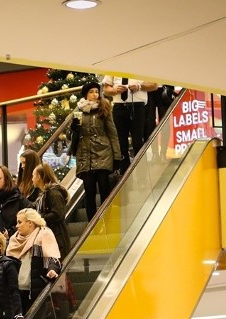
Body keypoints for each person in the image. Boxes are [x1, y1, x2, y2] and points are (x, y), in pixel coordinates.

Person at [72, 81, 122, 221]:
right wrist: (74, 129)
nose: (95, 94)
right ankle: (92, 224)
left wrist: (117, 156)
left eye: (96, 91)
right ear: (85, 95)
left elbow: (112, 132)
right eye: (91, 92)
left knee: (104, 189)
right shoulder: (78, 111)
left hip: (103, 152)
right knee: (89, 191)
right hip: (85, 154)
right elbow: (74, 139)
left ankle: (108, 219)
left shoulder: (104, 108)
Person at [6, 208, 61, 312]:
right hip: (15, 291)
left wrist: (52, 270)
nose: (17, 226)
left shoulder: (44, 234)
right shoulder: (14, 239)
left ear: (30, 223)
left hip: (35, 291)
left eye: (19, 222)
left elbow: (52, 257)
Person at [101, 76, 158, 172]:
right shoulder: (113, 67)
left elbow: (154, 85)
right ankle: (124, 172)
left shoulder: (141, 65)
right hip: (119, 106)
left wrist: (139, 86)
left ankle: (141, 170)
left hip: (138, 106)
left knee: (138, 141)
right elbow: (106, 89)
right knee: (121, 142)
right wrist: (114, 90)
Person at [32, 163, 71, 258]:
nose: (32, 179)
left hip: (58, 239)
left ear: (39, 177)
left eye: (33, 176)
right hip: (50, 237)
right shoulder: (43, 195)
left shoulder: (53, 194)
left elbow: (57, 214)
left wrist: (38, 218)